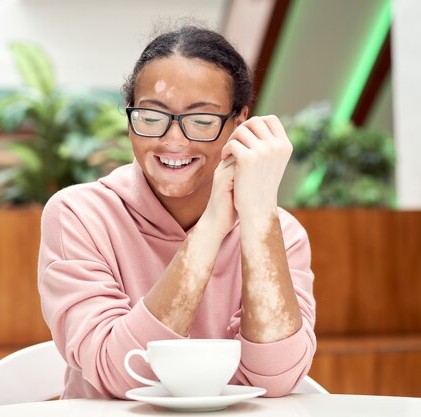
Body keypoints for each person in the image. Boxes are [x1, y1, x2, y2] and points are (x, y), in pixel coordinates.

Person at [38, 25, 316, 400]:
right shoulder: (79, 215)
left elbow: (276, 379)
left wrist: (258, 216)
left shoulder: (279, 231)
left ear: (238, 121)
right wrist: (212, 226)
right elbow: (121, 375)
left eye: (201, 121)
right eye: (151, 118)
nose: (173, 141)